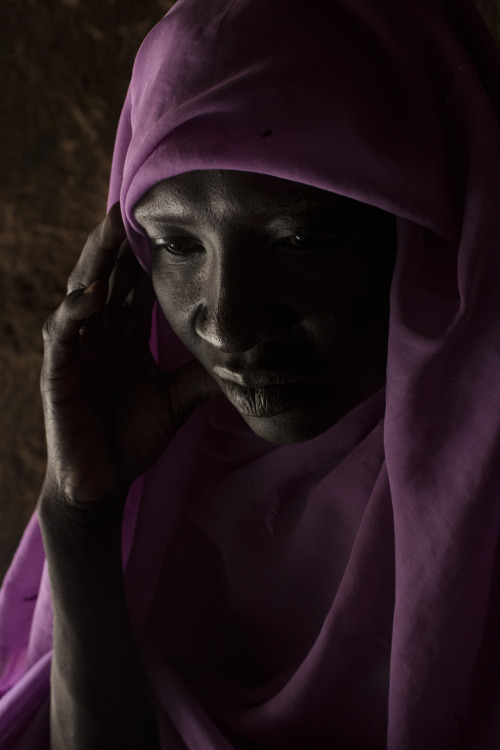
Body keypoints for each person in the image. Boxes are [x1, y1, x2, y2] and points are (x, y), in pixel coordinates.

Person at [1, 0, 500, 748]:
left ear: (437, 230)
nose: (226, 323)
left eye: (301, 238)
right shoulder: (168, 487)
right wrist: (79, 522)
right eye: (175, 244)